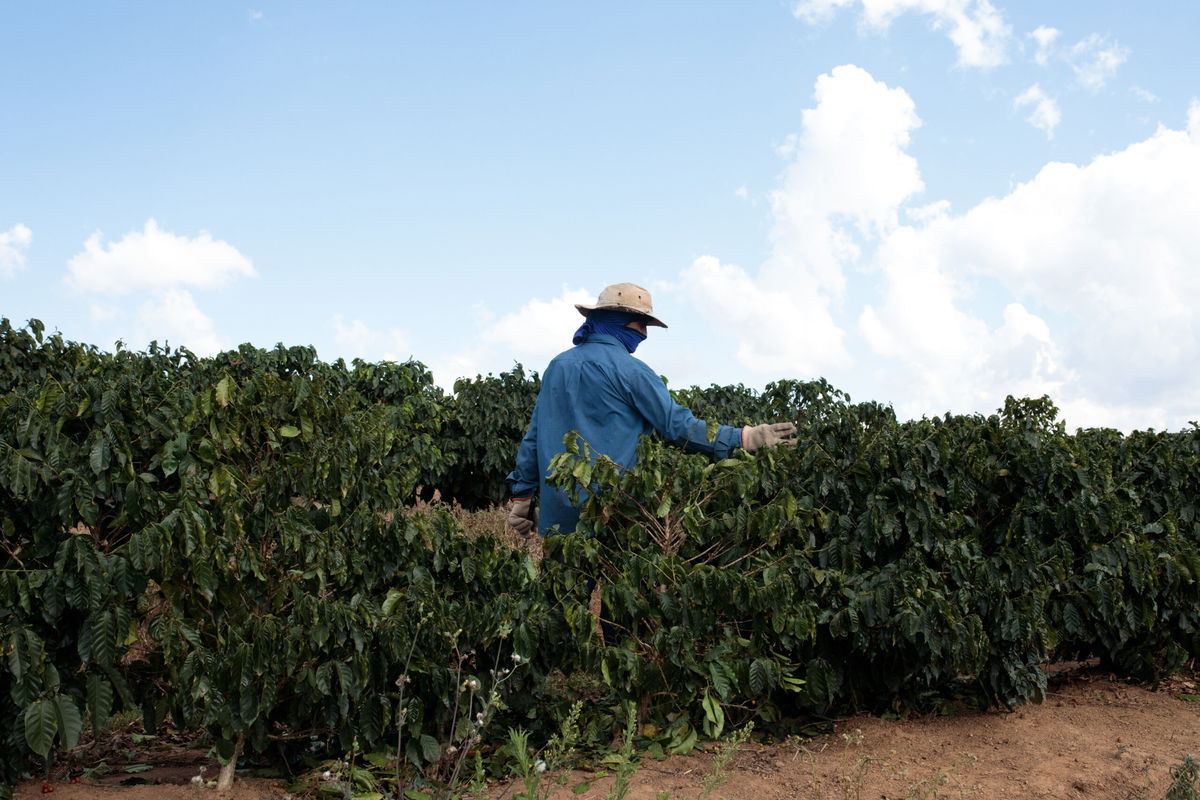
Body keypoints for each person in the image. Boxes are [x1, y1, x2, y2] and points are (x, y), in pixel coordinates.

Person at [506, 282, 797, 537]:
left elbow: (535, 435)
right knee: (620, 596)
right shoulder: (632, 371)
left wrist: (522, 497)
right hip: (617, 513)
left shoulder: (558, 366)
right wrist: (745, 438)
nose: (644, 333)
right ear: (618, 319)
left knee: (562, 597)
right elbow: (675, 424)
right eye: (641, 324)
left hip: (560, 513)